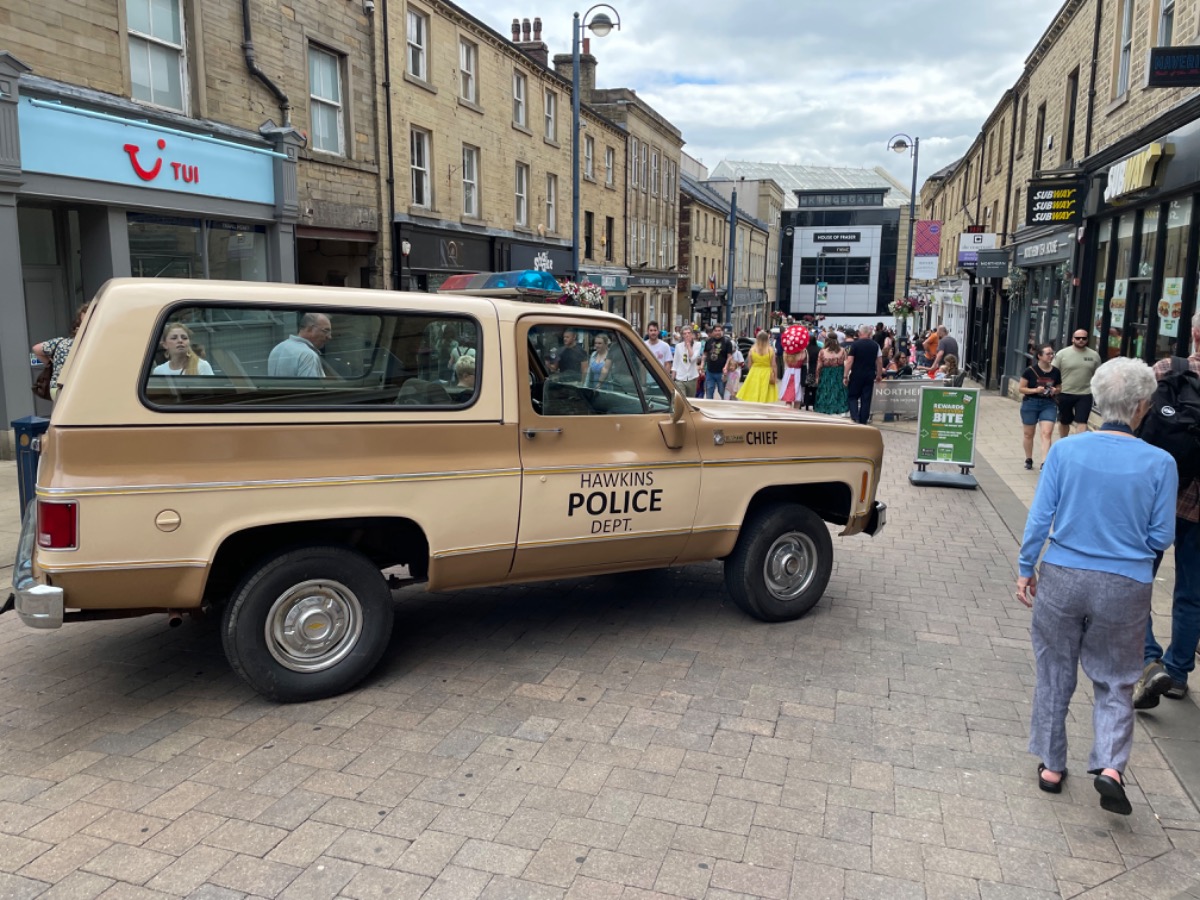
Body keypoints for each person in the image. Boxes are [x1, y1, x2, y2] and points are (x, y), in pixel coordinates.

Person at [1018, 357, 1176, 816]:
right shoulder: (1160, 462)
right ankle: (1110, 766)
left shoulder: (1066, 452)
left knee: (1054, 670)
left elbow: (1040, 517)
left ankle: (1051, 764)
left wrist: (1027, 565)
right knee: (1116, 678)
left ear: (1099, 399)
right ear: (1143, 406)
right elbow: (1161, 535)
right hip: (1125, 583)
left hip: (1064, 574)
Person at [1134, 311, 1200, 710]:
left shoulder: (1167, 369)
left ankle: (1146, 660)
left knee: (1138, 577)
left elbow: (1136, 415)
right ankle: (1176, 673)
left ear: (1193, 333)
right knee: (1192, 593)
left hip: (1158, 494)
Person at [33, 302, 90, 400]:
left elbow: (36, 349)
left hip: (55, 389)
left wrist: (52, 364)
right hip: (73, 389)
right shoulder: (87, 345)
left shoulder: (60, 342)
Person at [1018, 344, 1061, 471]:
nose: (1051, 356)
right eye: (1048, 354)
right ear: (1039, 356)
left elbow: (1059, 388)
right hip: (1031, 403)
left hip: (1048, 404)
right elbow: (1021, 388)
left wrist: (1055, 390)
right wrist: (1035, 390)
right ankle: (1029, 458)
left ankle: (1045, 462)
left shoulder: (1056, 371)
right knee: (1028, 434)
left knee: (1047, 433)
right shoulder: (1029, 371)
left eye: (1052, 353)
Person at [1054, 330, 1102, 437]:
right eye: (1078, 338)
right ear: (1072, 339)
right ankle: (1064, 441)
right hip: (1064, 392)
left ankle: (1078, 445)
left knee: (1082, 421)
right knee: (1064, 421)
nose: (1081, 340)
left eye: (1084, 338)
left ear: (1087, 340)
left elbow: (1098, 374)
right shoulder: (1062, 354)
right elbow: (1054, 372)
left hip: (1085, 394)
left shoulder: (1094, 355)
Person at [268, 312, 331, 377]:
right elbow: (310, 386)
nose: (329, 337)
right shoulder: (308, 355)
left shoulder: (277, 348)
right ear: (310, 329)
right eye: (325, 331)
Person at [844, 325, 883, 425]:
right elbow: (879, 361)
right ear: (869, 334)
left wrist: (845, 375)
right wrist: (879, 375)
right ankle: (863, 419)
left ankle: (855, 416)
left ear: (859, 334)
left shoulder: (855, 345)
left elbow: (850, 361)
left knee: (853, 396)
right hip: (870, 374)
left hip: (856, 374)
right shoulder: (876, 345)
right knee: (866, 398)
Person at [814, 333, 848, 416]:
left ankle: (826, 408)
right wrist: (846, 375)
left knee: (826, 390)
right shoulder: (843, 350)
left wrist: (817, 376)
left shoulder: (822, 351)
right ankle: (838, 408)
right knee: (838, 390)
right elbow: (846, 363)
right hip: (839, 372)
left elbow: (819, 366)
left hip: (826, 373)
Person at [736, 331, 777, 403]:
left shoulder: (752, 350)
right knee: (764, 393)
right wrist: (775, 377)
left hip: (754, 372)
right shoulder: (770, 350)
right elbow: (774, 365)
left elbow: (749, 364)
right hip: (766, 373)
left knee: (753, 393)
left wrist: (751, 371)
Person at [701, 323, 735, 399]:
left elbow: (729, 357)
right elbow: (705, 354)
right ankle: (710, 407)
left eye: (719, 330)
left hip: (721, 372)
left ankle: (725, 406)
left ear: (722, 331)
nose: (717, 332)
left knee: (722, 391)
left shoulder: (727, 342)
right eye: (716, 331)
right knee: (709, 391)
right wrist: (702, 365)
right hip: (710, 371)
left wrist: (726, 367)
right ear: (713, 332)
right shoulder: (709, 341)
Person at [671, 326, 703, 397]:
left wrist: (688, 346)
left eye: (689, 333)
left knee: (690, 401)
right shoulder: (678, 346)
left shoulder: (698, 344)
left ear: (692, 334)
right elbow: (675, 364)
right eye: (684, 334)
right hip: (680, 378)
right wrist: (672, 380)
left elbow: (693, 359)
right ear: (682, 335)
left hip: (692, 377)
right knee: (682, 399)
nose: (687, 335)